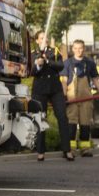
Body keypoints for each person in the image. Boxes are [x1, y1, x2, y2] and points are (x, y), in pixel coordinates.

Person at [31, 30, 72, 161]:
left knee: (62, 118)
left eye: (46, 38)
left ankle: (67, 150)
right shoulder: (33, 54)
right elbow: (30, 71)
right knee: (40, 120)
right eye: (42, 38)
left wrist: (47, 61)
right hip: (40, 90)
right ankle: (40, 151)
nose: (45, 40)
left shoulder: (54, 51)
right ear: (37, 40)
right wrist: (38, 65)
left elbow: (60, 66)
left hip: (55, 89)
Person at [61, 39, 99, 157]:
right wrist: (64, 95)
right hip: (71, 98)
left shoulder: (90, 63)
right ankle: (70, 150)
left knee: (85, 124)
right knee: (71, 124)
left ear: (84, 49)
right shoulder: (67, 63)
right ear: (72, 49)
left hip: (86, 99)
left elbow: (95, 79)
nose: (78, 50)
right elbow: (64, 81)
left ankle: (85, 149)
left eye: (81, 48)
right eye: (76, 48)